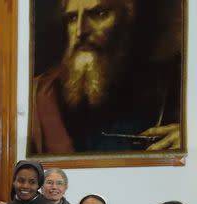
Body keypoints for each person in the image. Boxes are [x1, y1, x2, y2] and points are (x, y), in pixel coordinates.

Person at [30, 0, 182, 154]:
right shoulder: (42, 96)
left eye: (98, 14)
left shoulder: (170, 85)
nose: (80, 31)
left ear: (128, 18)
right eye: (72, 18)